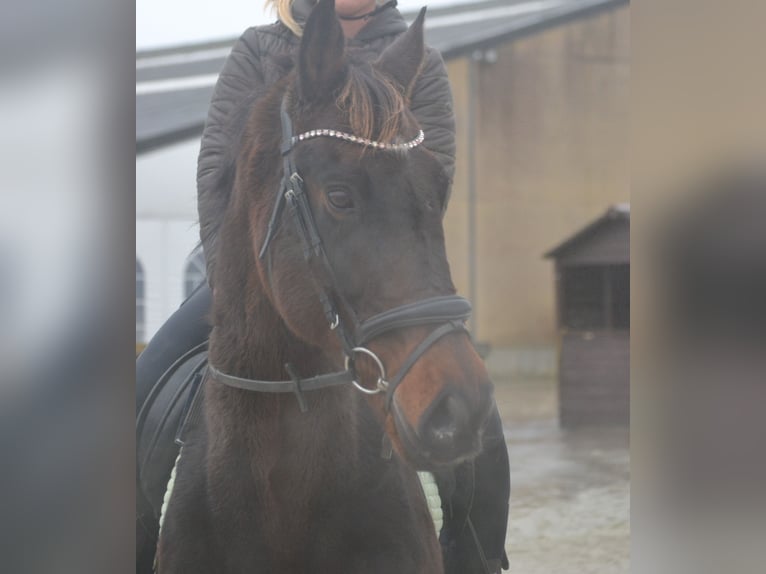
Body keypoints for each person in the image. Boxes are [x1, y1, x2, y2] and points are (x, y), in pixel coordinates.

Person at [137, 1, 509, 572]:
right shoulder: (255, 52)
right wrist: (234, 287)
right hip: (255, 280)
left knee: (484, 435)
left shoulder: (420, 64)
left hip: (375, 278)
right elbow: (218, 179)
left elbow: (423, 191)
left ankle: (476, 558)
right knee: (138, 389)